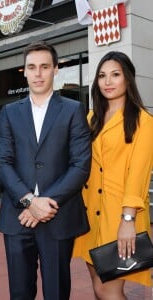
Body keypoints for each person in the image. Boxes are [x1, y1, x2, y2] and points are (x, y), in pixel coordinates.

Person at [0, 40, 91, 300]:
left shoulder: (73, 110)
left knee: (57, 292)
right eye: (32, 67)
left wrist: (45, 205)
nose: (38, 73)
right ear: (23, 71)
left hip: (57, 216)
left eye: (44, 67)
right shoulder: (9, 112)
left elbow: (81, 165)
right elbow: (2, 162)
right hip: (18, 216)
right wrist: (29, 201)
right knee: (19, 292)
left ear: (56, 70)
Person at [73, 51, 153, 299]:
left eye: (115, 75)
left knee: (107, 289)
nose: (108, 81)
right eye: (102, 76)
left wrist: (127, 220)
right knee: (97, 284)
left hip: (119, 216)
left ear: (127, 79)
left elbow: (138, 175)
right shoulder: (90, 118)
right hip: (88, 215)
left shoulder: (144, 121)